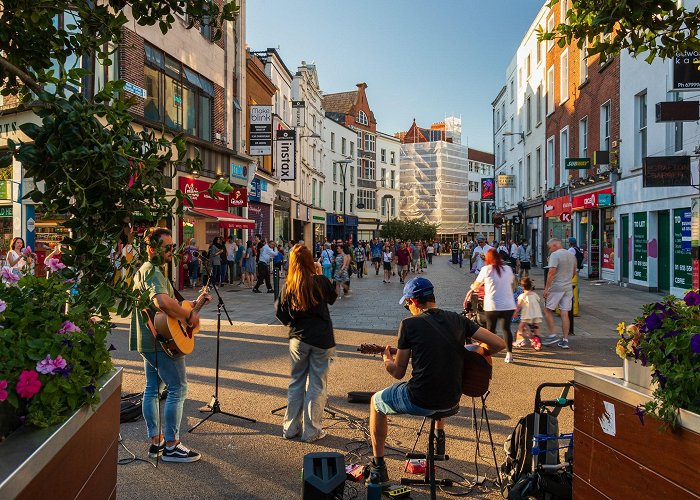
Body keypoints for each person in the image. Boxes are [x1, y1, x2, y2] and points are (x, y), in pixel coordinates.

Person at [367, 277, 506, 487]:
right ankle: (439, 440)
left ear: (414, 302)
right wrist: (474, 354)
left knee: (376, 403)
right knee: (442, 377)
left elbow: (398, 372)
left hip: (420, 399)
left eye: (407, 304)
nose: (408, 308)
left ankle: (379, 469)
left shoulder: (409, 324)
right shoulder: (458, 320)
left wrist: (387, 359)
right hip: (452, 401)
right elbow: (499, 343)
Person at [130, 227, 211, 463]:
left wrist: (194, 306)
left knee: (152, 389)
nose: (172, 252)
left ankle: (157, 443)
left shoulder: (145, 271)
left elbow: (168, 310)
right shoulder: (153, 271)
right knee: (178, 388)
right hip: (161, 342)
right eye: (168, 248)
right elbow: (163, 303)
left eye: (173, 247)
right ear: (153, 249)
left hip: (150, 339)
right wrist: (188, 317)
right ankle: (173, 445)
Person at [276, 244, 337, 442]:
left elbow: (282, 316)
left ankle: (290, 428)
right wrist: (319, 273)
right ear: (311, 262)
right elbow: (333, 297)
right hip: (321, 339)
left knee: (296, 382)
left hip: (298, 339)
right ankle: (312, 431)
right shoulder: (320, 281)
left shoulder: (289, 285)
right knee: (317, 385)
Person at [470, 249, 517, 363]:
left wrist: (472, 287)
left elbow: (477, 284)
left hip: (492, 305)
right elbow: (512, 283)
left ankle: (489, 351)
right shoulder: (507, 269)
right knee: (506, 329)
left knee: (490, 330)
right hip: (508, 304)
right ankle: (509, 354)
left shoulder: (486, 269)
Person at [542, 238, 577, 349]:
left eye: (550, 247)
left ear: (555, 244)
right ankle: (565, 339)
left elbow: (551, 273)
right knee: (565, 313)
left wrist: (546, 288)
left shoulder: (555, 255)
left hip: (556, 286)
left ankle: (552, 334)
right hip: (568, 287)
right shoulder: (571, 255)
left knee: (548, 310)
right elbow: (574, 272)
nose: (550, 250)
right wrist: (567, 280)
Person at [512, 277, 543, 350]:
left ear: (522, 287)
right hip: (536, 314)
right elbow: (538, 300)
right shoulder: (535, 294)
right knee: (536, 327)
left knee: (521, 327)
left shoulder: (522, 296)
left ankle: (521, 340)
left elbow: (519, 306)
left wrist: (515, 313)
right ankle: (537, 341)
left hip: (527, 314)